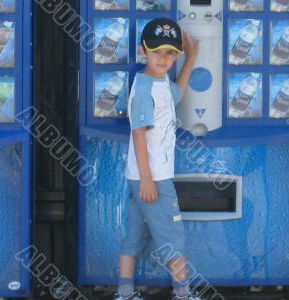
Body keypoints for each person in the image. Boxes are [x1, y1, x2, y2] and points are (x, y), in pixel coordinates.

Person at [114, 17, 201, 300]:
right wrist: (148, 180)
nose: (163, 58)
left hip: (142, 177)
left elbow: (177, 93)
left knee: (135, 236)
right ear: (143, 51)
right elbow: (139, 136)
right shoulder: (143, 90)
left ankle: (125, 294)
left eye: (170, 53)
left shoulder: (159, 81)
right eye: (157, 51)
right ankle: (183, 295)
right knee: (174, 237)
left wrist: (191, 59)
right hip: (153, 178)